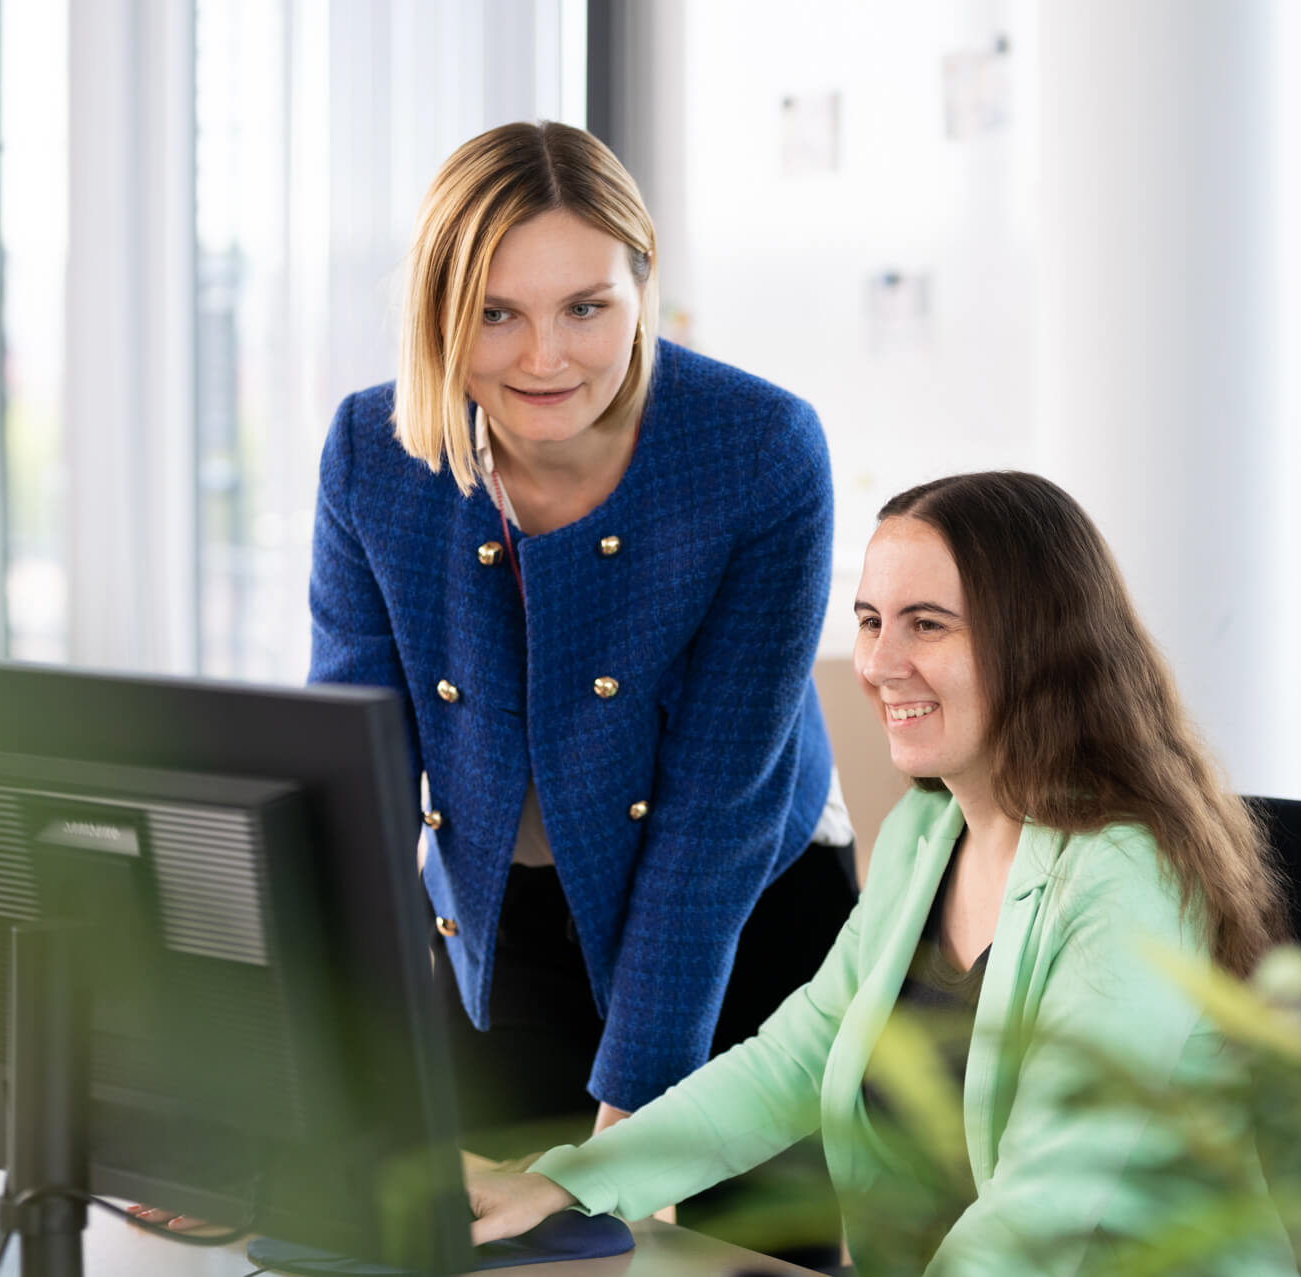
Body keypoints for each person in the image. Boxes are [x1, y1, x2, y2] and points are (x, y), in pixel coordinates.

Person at [463, 471, 1301, 1275]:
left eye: (926, 624)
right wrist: (564, 1180)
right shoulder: (925, 833)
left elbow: (1048, 1197)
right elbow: (794, 1060)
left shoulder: (1128, 875)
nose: (877, 661)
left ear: (1040, 645)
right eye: (870, 620)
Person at [306, 120, 854, 1247]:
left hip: (746, 926)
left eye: (585, 307)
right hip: (504, 931)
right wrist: (283, 1090)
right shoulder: (372, 449)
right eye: (496, 312)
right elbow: (349, 769)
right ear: (438, 312)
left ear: (641, 287)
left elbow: (716, 808)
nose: (543, 357)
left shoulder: (757, 450)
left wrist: (632, 1130)